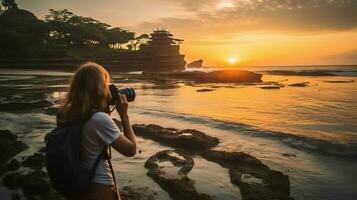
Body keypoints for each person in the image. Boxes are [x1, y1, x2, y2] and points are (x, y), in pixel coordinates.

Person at [59, 62, 137, 200]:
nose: (109, 89)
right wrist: (124, 115)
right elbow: (130, 150)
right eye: (105, 84)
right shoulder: (99, 120)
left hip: (81, 184)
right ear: (98, 88)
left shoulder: (67, 113)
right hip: (99, 188)